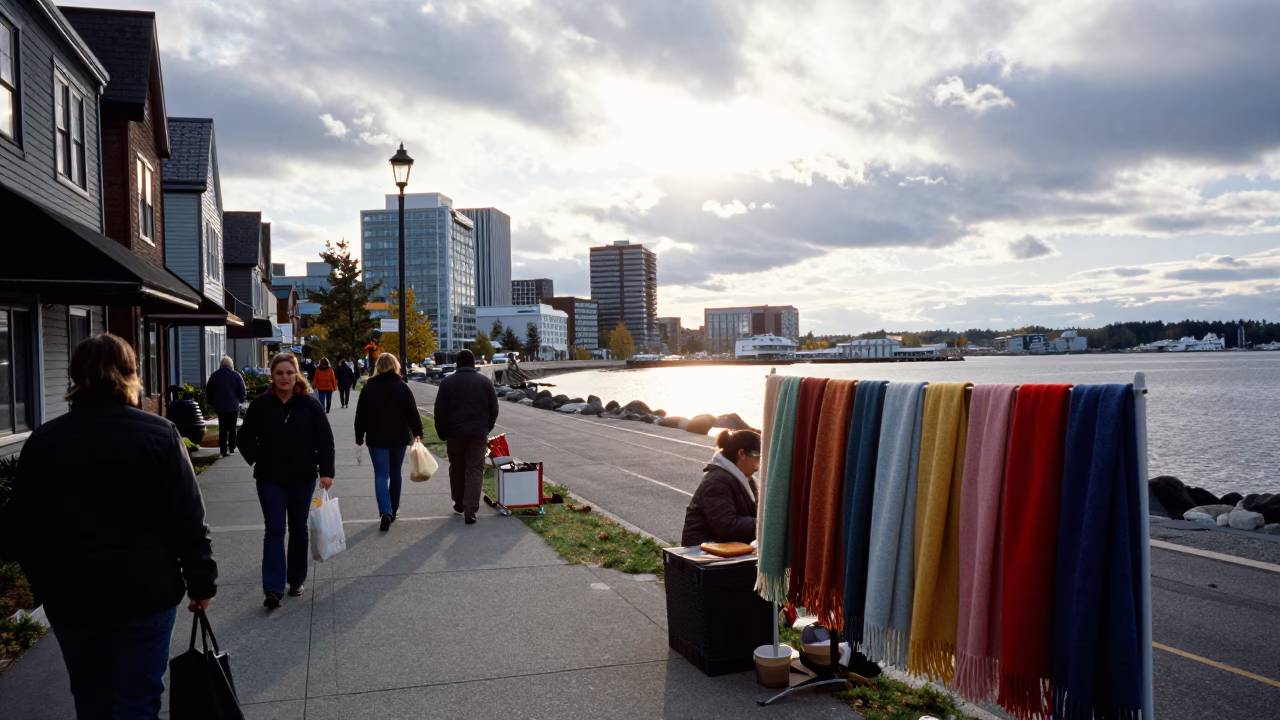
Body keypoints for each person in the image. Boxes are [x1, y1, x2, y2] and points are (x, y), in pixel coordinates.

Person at [0, 334, 217, 718]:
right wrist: (201, 583)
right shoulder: (160, 435)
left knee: (91, 697)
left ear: (74, 377)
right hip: (146, 591)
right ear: (131, 374)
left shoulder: (44, 442)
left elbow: (23, 528)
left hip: (72, 594)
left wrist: (42, 585)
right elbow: (188, 518)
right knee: (138, 697)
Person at [237, 353, 335, 609]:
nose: (285, 378)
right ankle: (273, 588)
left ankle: (296, 579)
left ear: (296, 374)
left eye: (290, 373)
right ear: (273, 375)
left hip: (302, 477)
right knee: (275, 529)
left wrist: (326, 472)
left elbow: (325, 440)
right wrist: (257, 459)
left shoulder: (310, 405)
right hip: (270, 479)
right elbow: (244, 438)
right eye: (280, 373)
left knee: (298, 528)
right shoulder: (261, 405)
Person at [354, 353, 424, 531]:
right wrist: (418, 432)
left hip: (376, 437)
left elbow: (360, 414)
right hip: (398, 436)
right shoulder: (402, 387)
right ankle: (393, 509)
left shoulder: (369, 388)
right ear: (395, 365)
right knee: (395, 473)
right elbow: (412, 413)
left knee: (380, 474)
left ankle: (384, 511)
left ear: (377, 366)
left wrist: (359, 435)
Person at [433, 349, 499, 524]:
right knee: (475, 469)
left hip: (454, 434)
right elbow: (494, 409)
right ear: (473, 363)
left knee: (456, 467)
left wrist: (441, 431)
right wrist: (486, 427)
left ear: (457, 364)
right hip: (477, 434)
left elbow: (439, 411)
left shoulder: (447, 383)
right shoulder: (485, 383)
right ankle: (471, 509)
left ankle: (459, 502)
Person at [681, 429, 761, 546]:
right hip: (703, 552)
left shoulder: (745, 478)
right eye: (758, 456)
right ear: (742, 454)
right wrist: (767, 525)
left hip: (721, 548)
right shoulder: (717, 481)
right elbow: (726, 526)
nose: (759, 462)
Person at [206, 355, 247, 456]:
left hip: (220, 407)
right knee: (232, 428)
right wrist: (241, 400)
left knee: (222, 428)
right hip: (233, 406)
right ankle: (232, 447)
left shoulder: (214, 376)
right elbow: (242, 389)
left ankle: (223, 450)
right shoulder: (236, 375)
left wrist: (211, 402)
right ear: (230, 365)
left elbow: (209, 390)